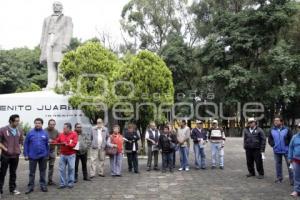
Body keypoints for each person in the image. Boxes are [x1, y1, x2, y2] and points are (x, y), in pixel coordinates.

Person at [0, 114, 24, 197]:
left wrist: (19, 148)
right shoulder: (3, 130)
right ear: (11, 121)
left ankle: (12, 189)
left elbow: (21, 141)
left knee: (13, 173)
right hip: (5, 156)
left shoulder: (20, 130)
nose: (18, 122)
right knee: (2, 173)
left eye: (18, 120)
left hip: (15, 156)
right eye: (16, 121)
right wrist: (6, 149)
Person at [24, 118, 49, 194]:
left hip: (43, 156)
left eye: (39, 123)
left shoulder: (45, 133)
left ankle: (43, 185)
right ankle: (30, 187)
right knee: (32, 172)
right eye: (36, 123)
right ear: (34, 124)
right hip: (32, 156)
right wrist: (26, 154)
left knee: (42, 172)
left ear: (42, 124)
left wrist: (47, 155)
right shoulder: (30, 133)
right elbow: (26, 144)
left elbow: (47, 145)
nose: (37, 124)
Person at [268, 116, 293, 184]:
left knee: (290, 165)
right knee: (278, 165)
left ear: (281, 122)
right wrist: (273, 145)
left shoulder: (287, 129)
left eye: (277, 120)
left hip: (287, 151)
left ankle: (292, 180)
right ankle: (279, 178)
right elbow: (270, 139)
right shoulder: (271, 130)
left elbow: (292, 139)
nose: (275, 122)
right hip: (277, 151)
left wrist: (290, 148)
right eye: (275, 120)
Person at [52, 123, 78, 189]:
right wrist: (52, 142)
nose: (63, 129)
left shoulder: (74, 134)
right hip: (63, 154)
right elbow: (57, 140)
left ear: (69, 128)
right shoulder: (61, 134)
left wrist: (67, 144)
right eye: (63, 128)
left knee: (71, 169)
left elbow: (74, 144)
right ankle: (62, 184)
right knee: (62, 169)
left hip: (71, 155)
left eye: (65, 128)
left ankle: (70, 183)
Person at [44, 119, 59, 185]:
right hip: (44, 151)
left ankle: (50, 180)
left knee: (51, 166)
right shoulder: (44, 131)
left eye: (53, 124)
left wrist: (59, 150)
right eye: (51, 124)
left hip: (52, 151)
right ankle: (43, 180)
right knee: (43, 167)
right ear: (48, 124)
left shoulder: (56, 131)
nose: (52, 125)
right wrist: (47, 141)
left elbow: (59, 140)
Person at [288, 123, 300, 197]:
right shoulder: (294, 137)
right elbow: (291, 147)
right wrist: (289, 157)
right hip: (296, 160)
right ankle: (296, 191)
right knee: (296, 176)